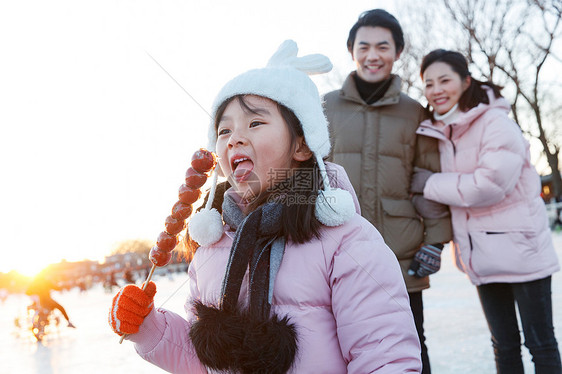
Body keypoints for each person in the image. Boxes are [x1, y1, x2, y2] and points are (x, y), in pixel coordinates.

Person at [109, 40, 422, 373]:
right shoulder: (211, 249)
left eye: (255, 124)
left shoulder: (347, 241)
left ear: (302, 145)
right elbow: (206, 359)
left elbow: (384, 356)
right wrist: (149, 328)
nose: (234, 138)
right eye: (224, 129)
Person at [412, 49, 561, 373]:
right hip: (481, 253)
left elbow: (489, 184)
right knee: (503, 346)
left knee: (541, 345)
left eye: (445, 80)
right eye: (428, 83)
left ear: (465, 82)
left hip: (522, 251)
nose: (436, 89)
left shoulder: (495, 122)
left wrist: (431, 184)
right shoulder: (443, 131)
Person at [323, 9, 452, 373]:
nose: (373, 55)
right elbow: (307, 175)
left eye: (383, 46)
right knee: (337, 348)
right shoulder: (325, 107)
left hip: (402, 252)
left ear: (397, 52)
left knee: (409, 344)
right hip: (337, 252)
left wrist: (436, 241)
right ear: (352, 51)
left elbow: (429, 180)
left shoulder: (414, 113)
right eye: (364, 46)